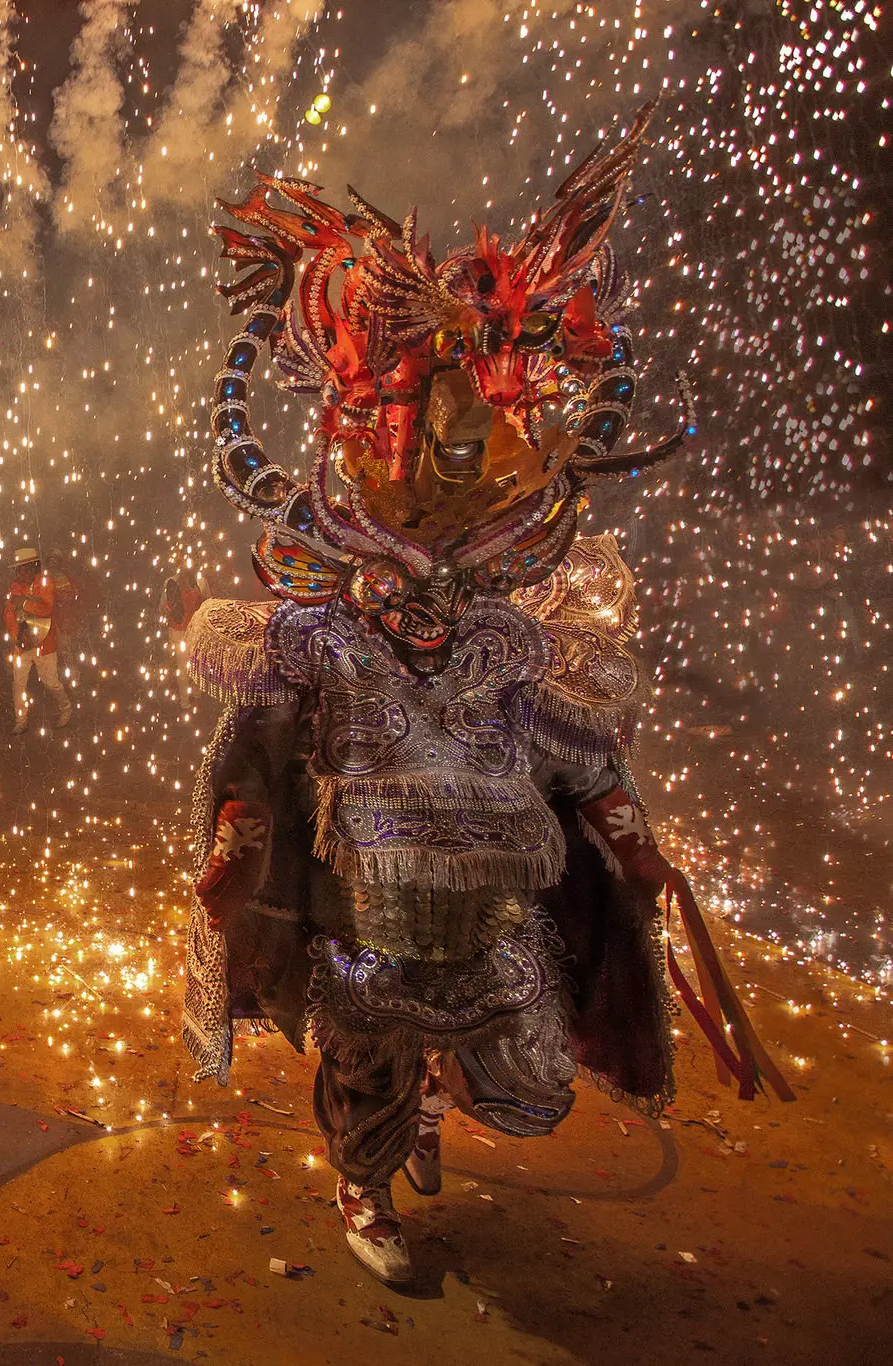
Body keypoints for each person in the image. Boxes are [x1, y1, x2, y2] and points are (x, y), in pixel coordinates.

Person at [184, 110, 787, 1286]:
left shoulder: (514, 635)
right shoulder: (324, 631)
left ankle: (420, 1113)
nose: (420, 601)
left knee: (522, 1063)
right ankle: (363, 1184)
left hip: (495, 904)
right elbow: (260, 739)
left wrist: (633, 841)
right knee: (368, 1040)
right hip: (365, 900)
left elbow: (575, 751)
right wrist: (238, 837)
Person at [3, 546, 72, 734]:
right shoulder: (15, 587)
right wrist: (16, 637)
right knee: (18, 683)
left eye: (23, 568)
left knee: (51, 682)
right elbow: (9, 615)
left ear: (34, 567)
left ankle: (66, 708)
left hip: (45, 644)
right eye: (17, 570)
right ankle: (21, 719)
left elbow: (47, 610)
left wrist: (23, 603)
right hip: (22, 644)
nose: (19, 573)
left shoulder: (46, 583)